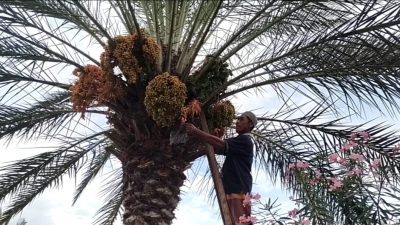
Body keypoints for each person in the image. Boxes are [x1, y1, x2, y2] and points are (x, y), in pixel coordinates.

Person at [185, 111, 257, 225]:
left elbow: (222, 145)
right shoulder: (237, 141)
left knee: (241, 222)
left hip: (239, 190)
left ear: (250, 125)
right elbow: (218, 148)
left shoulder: (245, 141)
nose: (237, 122)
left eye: (241, 119)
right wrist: (217, 137)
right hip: (231, 188)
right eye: (237, 119)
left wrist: (197, 132)